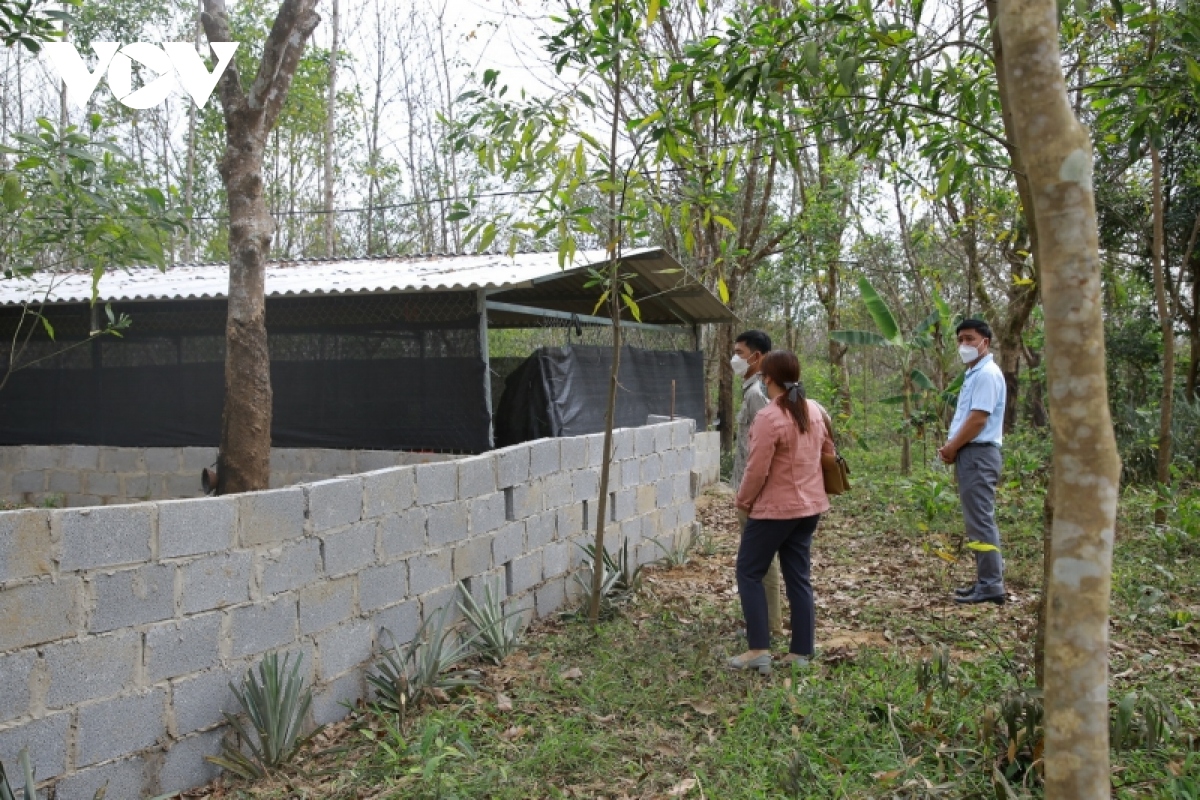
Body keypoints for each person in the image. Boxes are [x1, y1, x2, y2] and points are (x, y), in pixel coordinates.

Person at [730, 350, 835, 674]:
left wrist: (743, 501)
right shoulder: (815, 409)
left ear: (768, 378)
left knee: (748, 572)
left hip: (775, 510)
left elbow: (756, 469)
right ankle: (801, 652)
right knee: (798, 577)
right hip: (809, 508)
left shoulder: (770, 417)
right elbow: (829, 452)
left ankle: (759, 649)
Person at [938, 319, 1007, 605]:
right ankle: (985, 580)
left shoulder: (987, 374)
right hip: (971, 454)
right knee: (976, 520)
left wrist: (952, 447)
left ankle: (991, 585)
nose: (964, 345)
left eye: (969, 338)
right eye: (960, 340)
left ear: (985, 342)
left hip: (978, 453)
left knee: (980, 520)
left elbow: (979, 418)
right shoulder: (973, 374)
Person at [730, 330, 784, 638]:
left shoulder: (758, 394)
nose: (735, 358)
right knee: (756, 561)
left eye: (740, 352)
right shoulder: (750, 390)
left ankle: (768, 627)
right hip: (747, 487)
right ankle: (761, 623)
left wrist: (751, 493)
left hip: (756, 491)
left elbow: (767, 446)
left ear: (757, 357)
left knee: (760, 562)